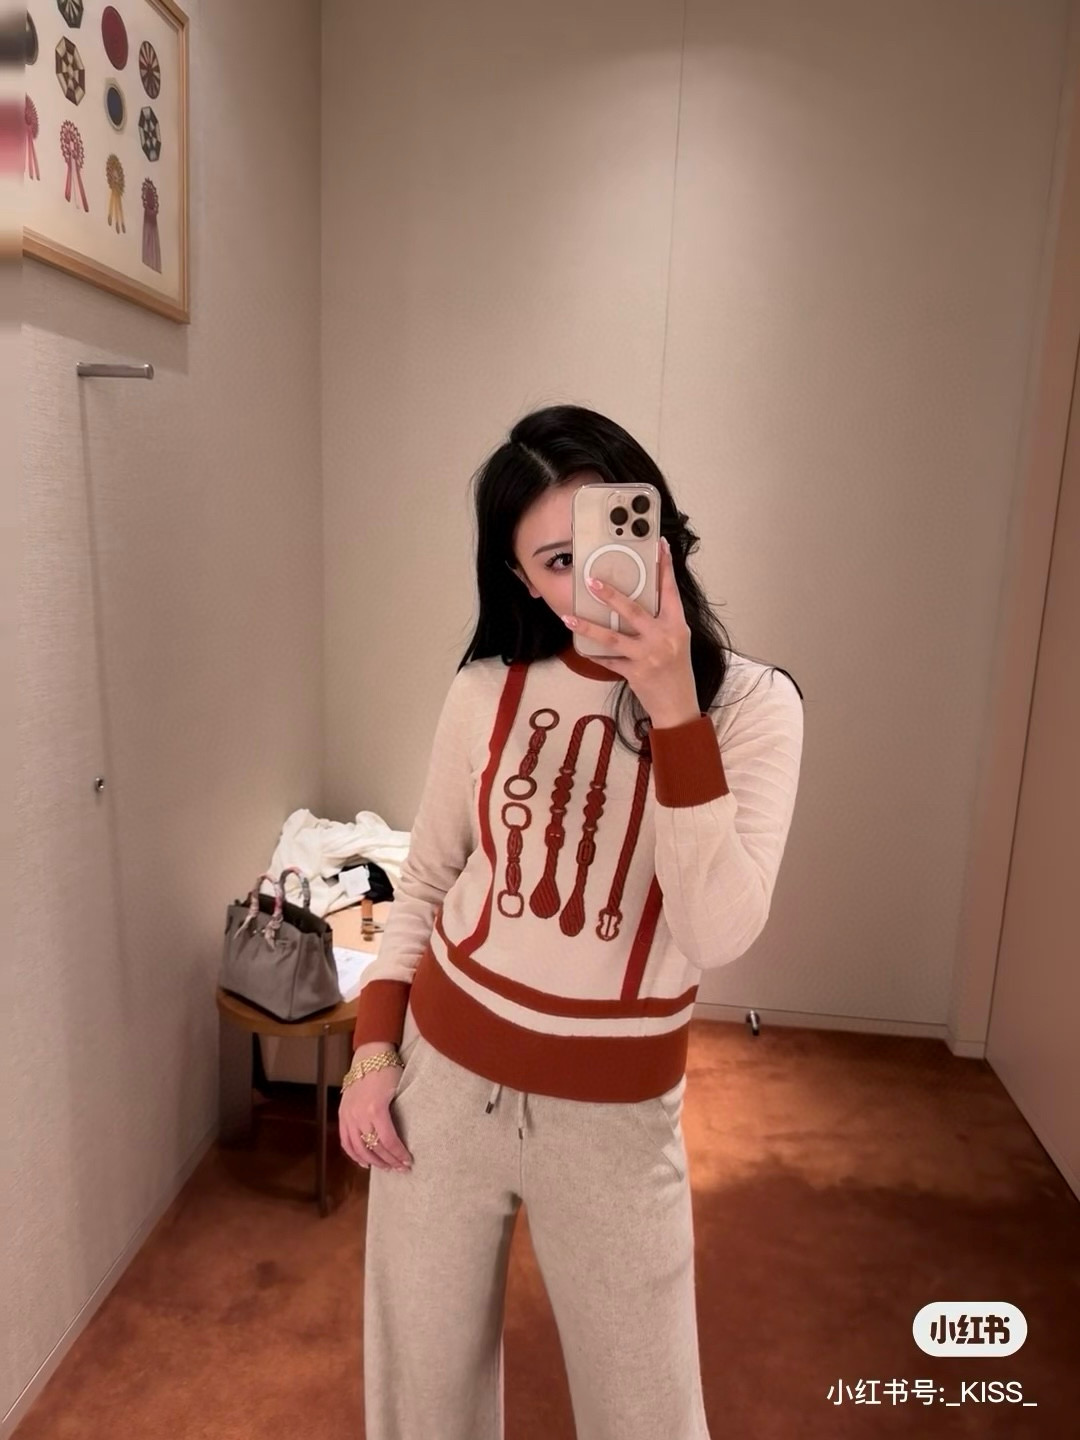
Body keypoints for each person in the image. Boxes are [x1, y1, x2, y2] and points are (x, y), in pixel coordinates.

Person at [338, 404, 804, 1440]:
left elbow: (716, 932)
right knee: (421, 1404)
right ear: (522, 580)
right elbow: (427, 880)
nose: (591, 579)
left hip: (615, 1122)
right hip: (441, 1087)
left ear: (656, 527)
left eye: (603, 539)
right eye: (555, 561)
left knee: (648, 1415)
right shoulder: (486, 689)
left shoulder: (755, 709)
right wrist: (374, 1055)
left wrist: (674, 708)